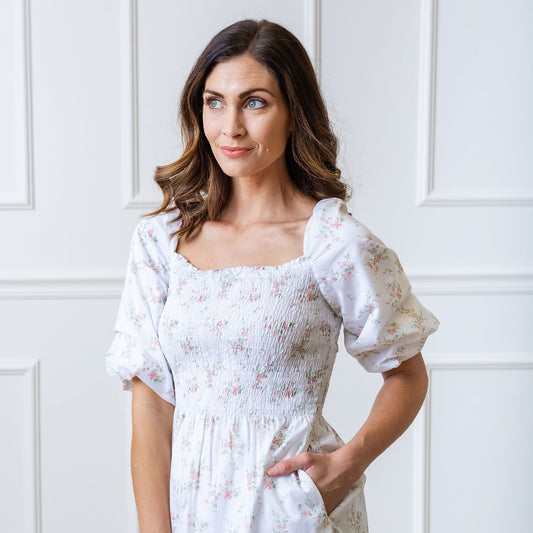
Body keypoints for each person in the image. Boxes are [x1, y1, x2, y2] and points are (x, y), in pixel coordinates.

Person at [105, 18, 439, 532]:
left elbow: (407, 374)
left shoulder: (333, 242)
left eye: (255, 103)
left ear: (293, 113)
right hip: (192, 512)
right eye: (215, 102)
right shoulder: (162, 242)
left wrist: (346, 465)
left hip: (295, 512)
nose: (231, 127)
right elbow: (150, 407)